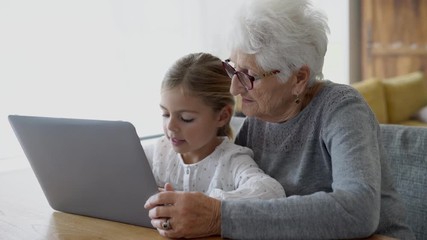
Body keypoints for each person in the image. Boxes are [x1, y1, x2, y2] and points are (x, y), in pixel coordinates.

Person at [144, 0, 415, 239]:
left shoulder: (342, 110)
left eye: (248, 76)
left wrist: (220, 216)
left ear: (298, 78)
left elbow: (358, 210)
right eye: (233, 70)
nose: (234, 89)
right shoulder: (256, 118)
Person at [142, 52, 285, 229]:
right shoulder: (159, 152)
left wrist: (207, 203)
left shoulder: (232, 161)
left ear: (222, 116)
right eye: (165, 114)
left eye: (186, 118)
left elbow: (273, 193)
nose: (170, 126)